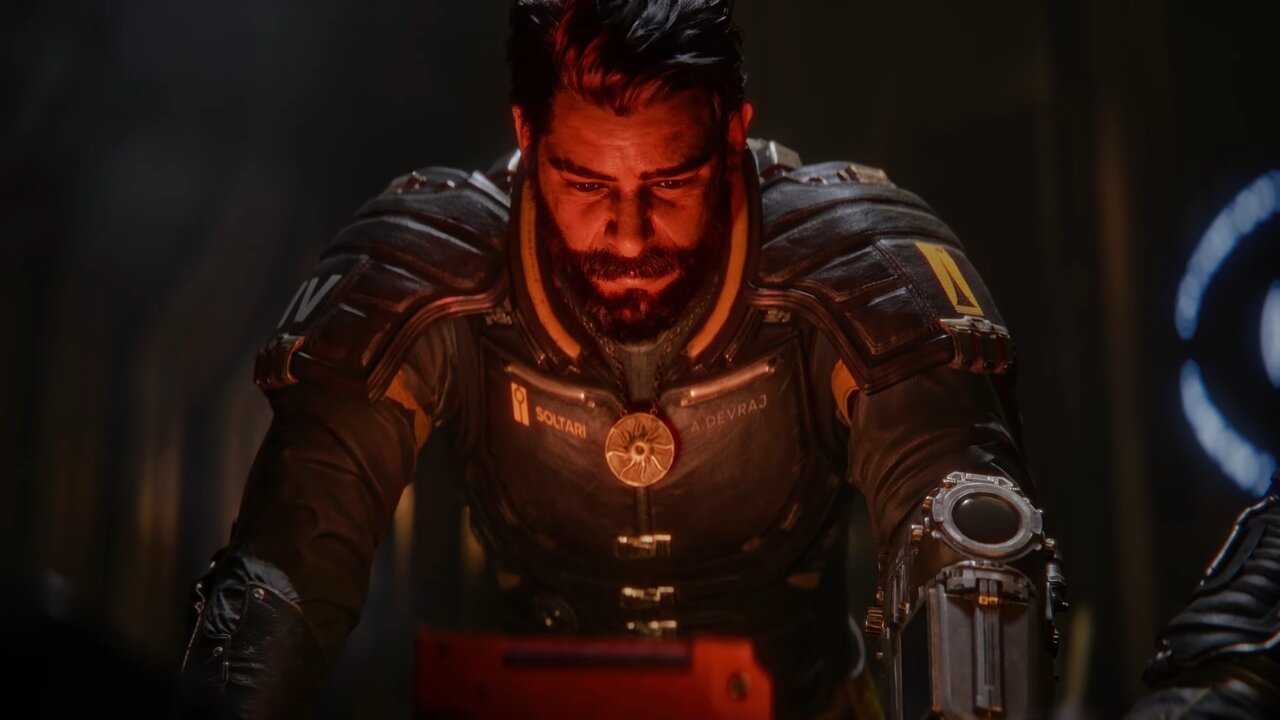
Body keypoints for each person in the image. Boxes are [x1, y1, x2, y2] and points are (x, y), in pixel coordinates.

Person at [176, 1, 1065, 717]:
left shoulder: (856, 269)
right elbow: (292, 561)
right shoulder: (433, 276)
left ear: (733, 134)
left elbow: (968, 538)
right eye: (587, 184)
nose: (631, 235)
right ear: (528, 136)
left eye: (670, 182)